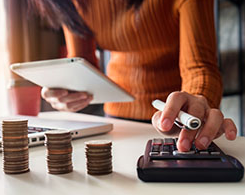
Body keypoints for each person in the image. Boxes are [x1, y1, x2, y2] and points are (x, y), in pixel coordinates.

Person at [11, 0, 237, 152]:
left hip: (176, 120)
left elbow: (200, 67)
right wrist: (65, 92)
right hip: (114, 121)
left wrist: (197, 102)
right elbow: (81, 62)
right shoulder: (73, 3)